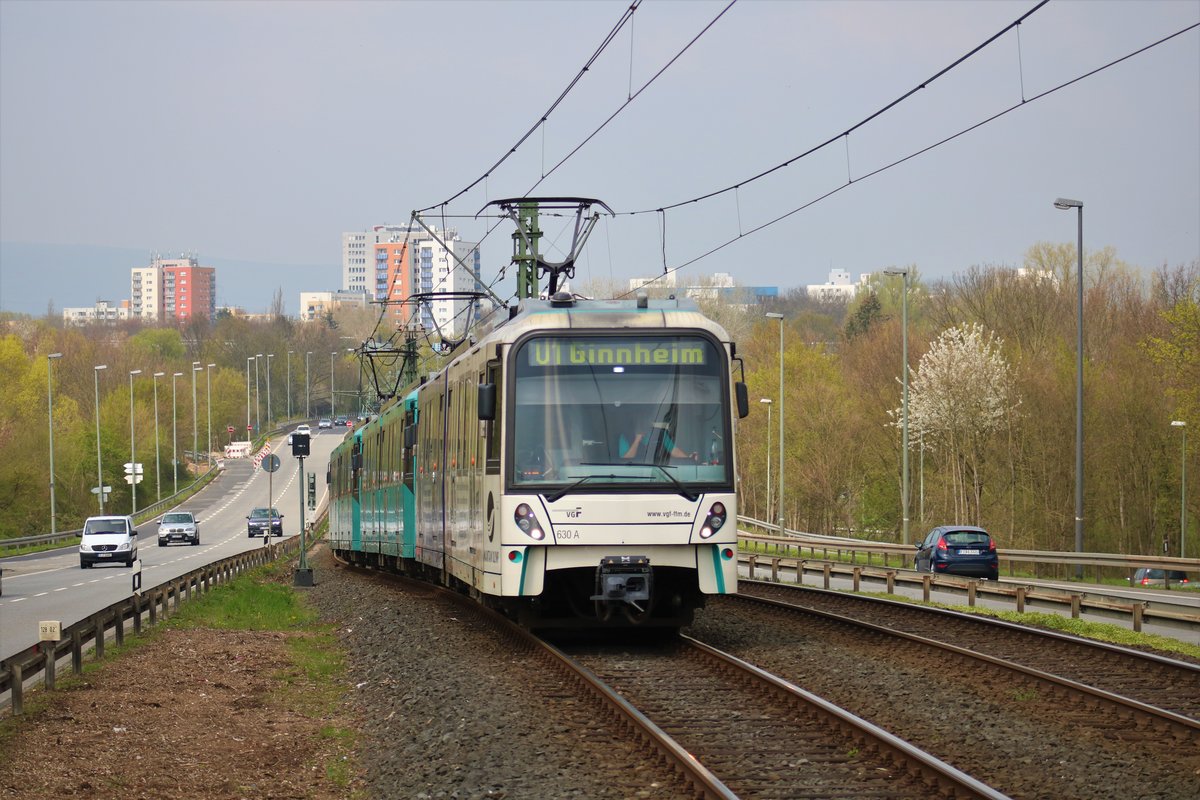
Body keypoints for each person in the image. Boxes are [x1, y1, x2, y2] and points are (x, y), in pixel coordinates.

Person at [619, 421, 697, 462]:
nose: (643, 421)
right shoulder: (625, 436)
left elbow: (674, 451)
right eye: (640, 417)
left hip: (658, 476)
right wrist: (637, 440)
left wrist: (688, 459)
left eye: (646, 417)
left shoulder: (660, 434)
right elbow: (625, 460)